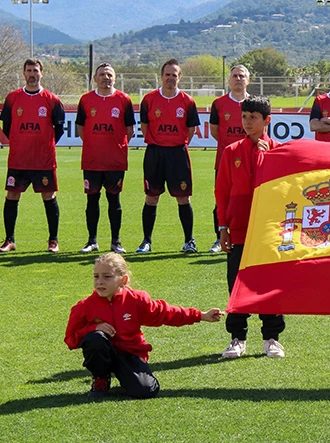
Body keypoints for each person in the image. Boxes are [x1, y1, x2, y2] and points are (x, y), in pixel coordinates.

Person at [64, 252, 223, 399]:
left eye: (107, 277)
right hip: (103, 353)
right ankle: (101, 378)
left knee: (146, 391)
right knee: (95, 339)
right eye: (96, 276)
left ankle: (127, 376)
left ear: (123, 280)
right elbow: (70, 339)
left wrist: (200, 315)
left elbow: (165, 313)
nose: (99, 282)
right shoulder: (84, 307)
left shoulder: (137, 300)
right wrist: (93, 329)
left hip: (130, 353)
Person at [215, 95, 286, 359]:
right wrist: (223, 227)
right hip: (240, 230)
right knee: (237, 283)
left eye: (253, 117)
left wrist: (268, 159)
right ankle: (237, 338)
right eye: (244, 117)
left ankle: (271, 338)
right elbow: (221, 192)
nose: (247, 122)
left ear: (267, 120)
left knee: (269, 282)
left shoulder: (278, 152)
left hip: (269, 232)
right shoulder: (231, 152)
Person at [0, 59, 65, 253]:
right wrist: (20, 142)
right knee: (12, 195)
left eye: (35, 71)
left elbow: (59, 129)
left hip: (43, 160)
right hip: (19, 159)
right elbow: (7, 126)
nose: (32, 74)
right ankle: (9, 240)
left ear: (41, 73)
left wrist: (44, 144)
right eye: (28, 70)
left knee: (48, 195)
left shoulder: (52, 100)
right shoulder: (13, 98)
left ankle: (53, 241)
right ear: (23, 73)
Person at [137, 59, 200, 253]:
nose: (170, 78)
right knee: (151, 197)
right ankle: (146, 241)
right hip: (155, 152)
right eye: (167, 74)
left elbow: (190, 129)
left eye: (174, 75)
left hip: (178, 154)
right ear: (161, 76)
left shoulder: (187, 101)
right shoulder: (149, 100)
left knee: (183, 197)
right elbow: (145, 126)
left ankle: (189, 241)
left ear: (179, 77)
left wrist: (176, 142)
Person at [75, 63, 136, 254]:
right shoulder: (85, 100)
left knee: (114, 200)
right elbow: (81, 128)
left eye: (109, 75)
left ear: (115, 79)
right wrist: (94, 143)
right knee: (91, 201)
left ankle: (115, 241)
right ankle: (92, 240)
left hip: (114, 161)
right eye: (102, 74)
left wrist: (114, 145)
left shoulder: (124, 100)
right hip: (92, 160)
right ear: (95, 78)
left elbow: (129, 130)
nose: (105, 78)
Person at [207, 65, 251, 253]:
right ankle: (219, 239)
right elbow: (215, 131)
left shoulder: (255, 102)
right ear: (229, 80)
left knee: (251, 199)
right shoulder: (219, 103)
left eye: (242, 76)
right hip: (226, 161)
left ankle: (250, 237)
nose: (238, 79)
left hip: (250, 161)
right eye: (235, 76)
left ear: (248, 80)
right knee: (222, 199)